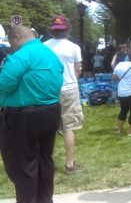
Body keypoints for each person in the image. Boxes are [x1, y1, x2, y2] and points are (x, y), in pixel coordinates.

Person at [0, 25, 63, 203]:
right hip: (51, 112)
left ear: (17, 38)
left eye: (11, 43)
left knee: (22, 168)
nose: (11, 47)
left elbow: (4, 84)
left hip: (22, 117)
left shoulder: (21, 56)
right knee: (44, 162)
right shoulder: (49, 54)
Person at [44, 15, 84, 174]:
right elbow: (78, 70)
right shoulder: (74, 47)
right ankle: (69, 164)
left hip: (48, 89)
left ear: (51, 30)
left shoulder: (44, 46)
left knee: (48, 128)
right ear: (67, 29)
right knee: (68, 127)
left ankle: (47, 164)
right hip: (69, 88)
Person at [112, 38, 131, 136]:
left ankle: (119, 130)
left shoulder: (120, 64)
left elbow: (114, 76)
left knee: (123, 110)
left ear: (127, 56)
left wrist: (121, 80)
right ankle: (130, 131)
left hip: (122, 92)